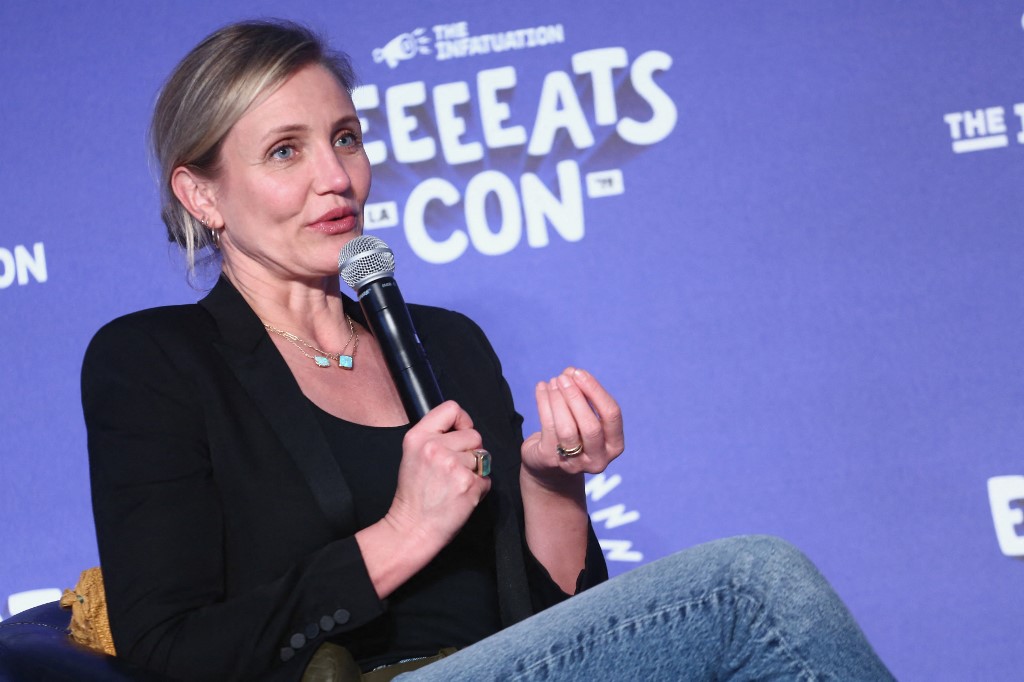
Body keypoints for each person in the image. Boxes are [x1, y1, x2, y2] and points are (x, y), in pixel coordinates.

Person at [83, 19, 895, 682]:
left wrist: (549, 486)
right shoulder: (155, 362)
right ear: (201, 193)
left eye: (346, 138)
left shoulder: (446, 342)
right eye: (285, 151)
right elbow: (172, 649)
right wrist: (405, 530)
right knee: (748, 587)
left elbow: (554, 625)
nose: (337, 178)